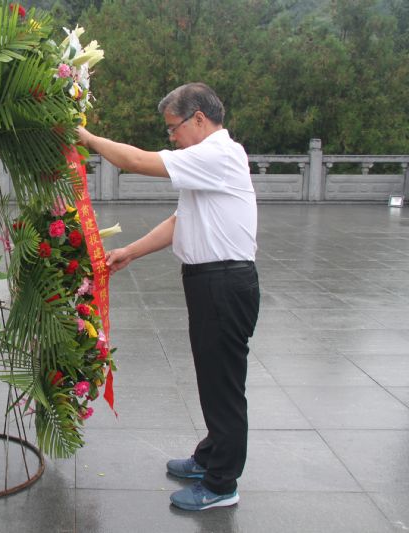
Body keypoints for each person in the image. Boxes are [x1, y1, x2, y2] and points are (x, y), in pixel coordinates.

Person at [77, 82, 260, 511]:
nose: (173, 137)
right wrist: (130, 252)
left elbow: (137, 161)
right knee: (212, 378)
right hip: (211, 282)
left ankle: (221, 485)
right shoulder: (209, 163)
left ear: (199, 118)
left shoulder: (218, 154)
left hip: (224, 284)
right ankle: (210, 457)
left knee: (223, 385)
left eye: (173, 128)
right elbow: (181, 221)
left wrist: (86, 138)